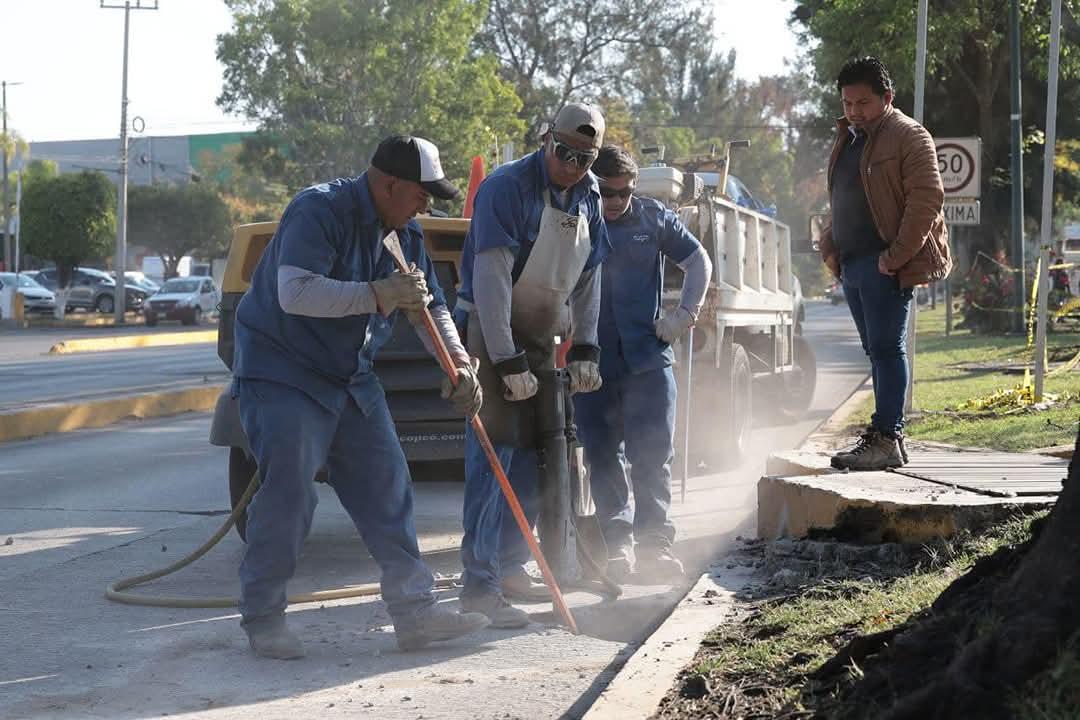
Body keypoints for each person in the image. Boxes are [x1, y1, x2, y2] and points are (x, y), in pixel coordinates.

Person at [231, 134, 490, 659]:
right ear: (389, 183)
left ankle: (415, 614)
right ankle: (263, 618)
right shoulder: (317, 210)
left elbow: (430, 308)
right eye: (421, 193)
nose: (426, 204)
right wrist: (376, 294)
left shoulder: (405, 236)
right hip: (283, 370)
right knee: (290, 494)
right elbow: (294, 292)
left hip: (349, 377)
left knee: (387, 488)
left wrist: (459, 363)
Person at [454, 103, 611, 627]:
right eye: (565, 153)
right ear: (547, 140)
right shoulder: (505, 188)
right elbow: (491, 279)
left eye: (585, 158)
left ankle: (509, 563)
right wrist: (504, 359)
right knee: (494, 458)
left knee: (534, 455)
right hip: (488, 328)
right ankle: (478, 586)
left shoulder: (588, 193)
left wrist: (586, 345)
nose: (573, 166)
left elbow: (589, 277)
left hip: (542, 334)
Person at [572, 145, 712, 581]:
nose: (614, 202)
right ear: (593, 187)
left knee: (652, 456)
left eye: (624, 193)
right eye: (606, 193)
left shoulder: (653, 218)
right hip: (592, 362)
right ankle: (618, 546)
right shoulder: (574, 218)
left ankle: (655, 545)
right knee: (601, 454)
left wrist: (683, 316)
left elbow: (698, 261)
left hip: (648, 361)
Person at [819, 57, 952, 471]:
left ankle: (887, 437)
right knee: (874, 350)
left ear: (887, 98)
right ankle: (883, 437)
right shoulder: (849, 137)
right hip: (853, 262)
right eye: (847, 103)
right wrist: (828, 245)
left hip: (885, 263)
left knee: (886, 348)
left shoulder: (909, 136)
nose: (854, 111)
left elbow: (927, 200)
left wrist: (895, 256)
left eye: (863, 102)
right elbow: (841, 196)